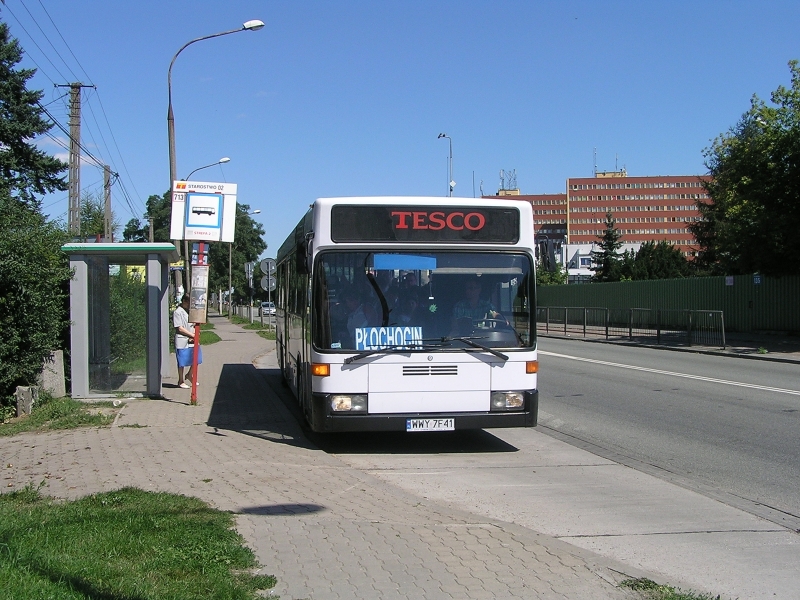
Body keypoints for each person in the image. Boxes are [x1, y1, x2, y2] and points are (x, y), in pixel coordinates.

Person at [173, 294, 198, 388]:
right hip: (182, 339)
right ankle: (181, 380)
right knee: (181, 361)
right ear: (184, 301)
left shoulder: (190, 311)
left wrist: (195, 333)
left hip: (192, 338)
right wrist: (191, 335)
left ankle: (189, 375)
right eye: (188, 303)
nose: (190, 306)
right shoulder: (177, 312)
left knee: (196, 358)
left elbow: (194, 324)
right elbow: (179, 328)